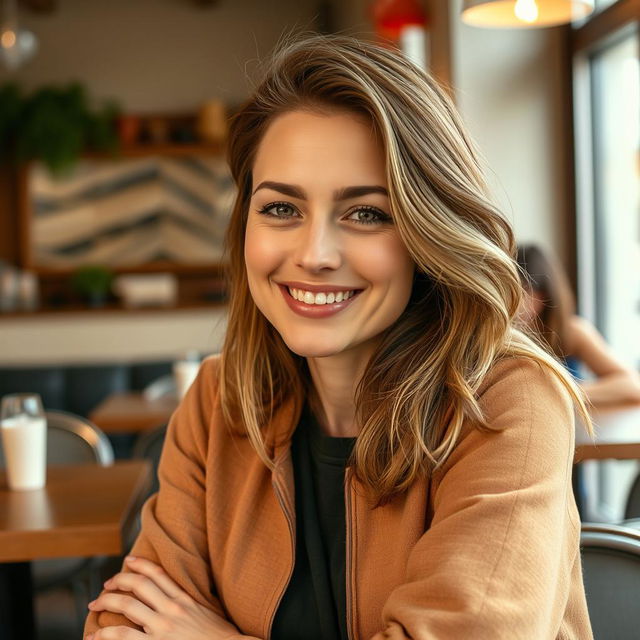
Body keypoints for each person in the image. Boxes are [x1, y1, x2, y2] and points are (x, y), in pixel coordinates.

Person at [84, 34, 594, 640]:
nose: (314, 254)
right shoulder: (219, 400)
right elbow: (123, 623)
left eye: (367, 213)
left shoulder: (510, 403)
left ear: (426, 232)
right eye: (280, 208)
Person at [517, 243, 640, 408]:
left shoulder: (573, 332)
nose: (512, 304)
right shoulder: (496, 337)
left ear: (543, 296)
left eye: (522, 292)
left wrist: (564, 393)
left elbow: (631, 385)